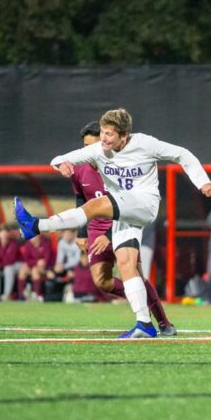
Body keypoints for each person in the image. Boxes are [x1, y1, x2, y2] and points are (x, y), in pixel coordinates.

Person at [15, 108, 211, 338]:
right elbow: (60, 158)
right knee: (127, 264)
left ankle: (37, 226)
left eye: (110, 134)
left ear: (124, 135)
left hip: (145, 204)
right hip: (123, 213)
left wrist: (202, 181)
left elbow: (182, 154)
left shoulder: (145, 144)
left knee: (96, 205)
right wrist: (61, 164)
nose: (104, 138)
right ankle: (144, 323)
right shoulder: (99, 149)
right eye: (103, 132)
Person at [69, 121, 176, 334]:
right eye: (85, 147)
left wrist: (109, 235)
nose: (88, 152)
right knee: (102, 281)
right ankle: (138, 296)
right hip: (96, 228)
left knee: (135, 273)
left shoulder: (121, 167)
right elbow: (81, 199)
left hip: (123, 224)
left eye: (93, 146)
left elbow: (129, 204)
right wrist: (82, 233)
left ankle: (163, 323)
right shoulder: (78, 169)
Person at [0, 224, 22, 301]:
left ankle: (7, 294)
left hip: (18, 265)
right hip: (4, 265)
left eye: (6, 232)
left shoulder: (13, 243)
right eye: (2, 232)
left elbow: (10, 260)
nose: (4, 234)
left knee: (8, 268)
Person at [17, 234, 52, 301]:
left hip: (45, 268)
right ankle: (21, 295)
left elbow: (46, 260)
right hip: (33, 266)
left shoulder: (45, 243)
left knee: (34, 270)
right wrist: (36, 262)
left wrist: (37, 263)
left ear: (38, 236)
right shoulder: (28, 244)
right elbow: (26, 260)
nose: (31, 238)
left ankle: (36, 294)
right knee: (22, 270)